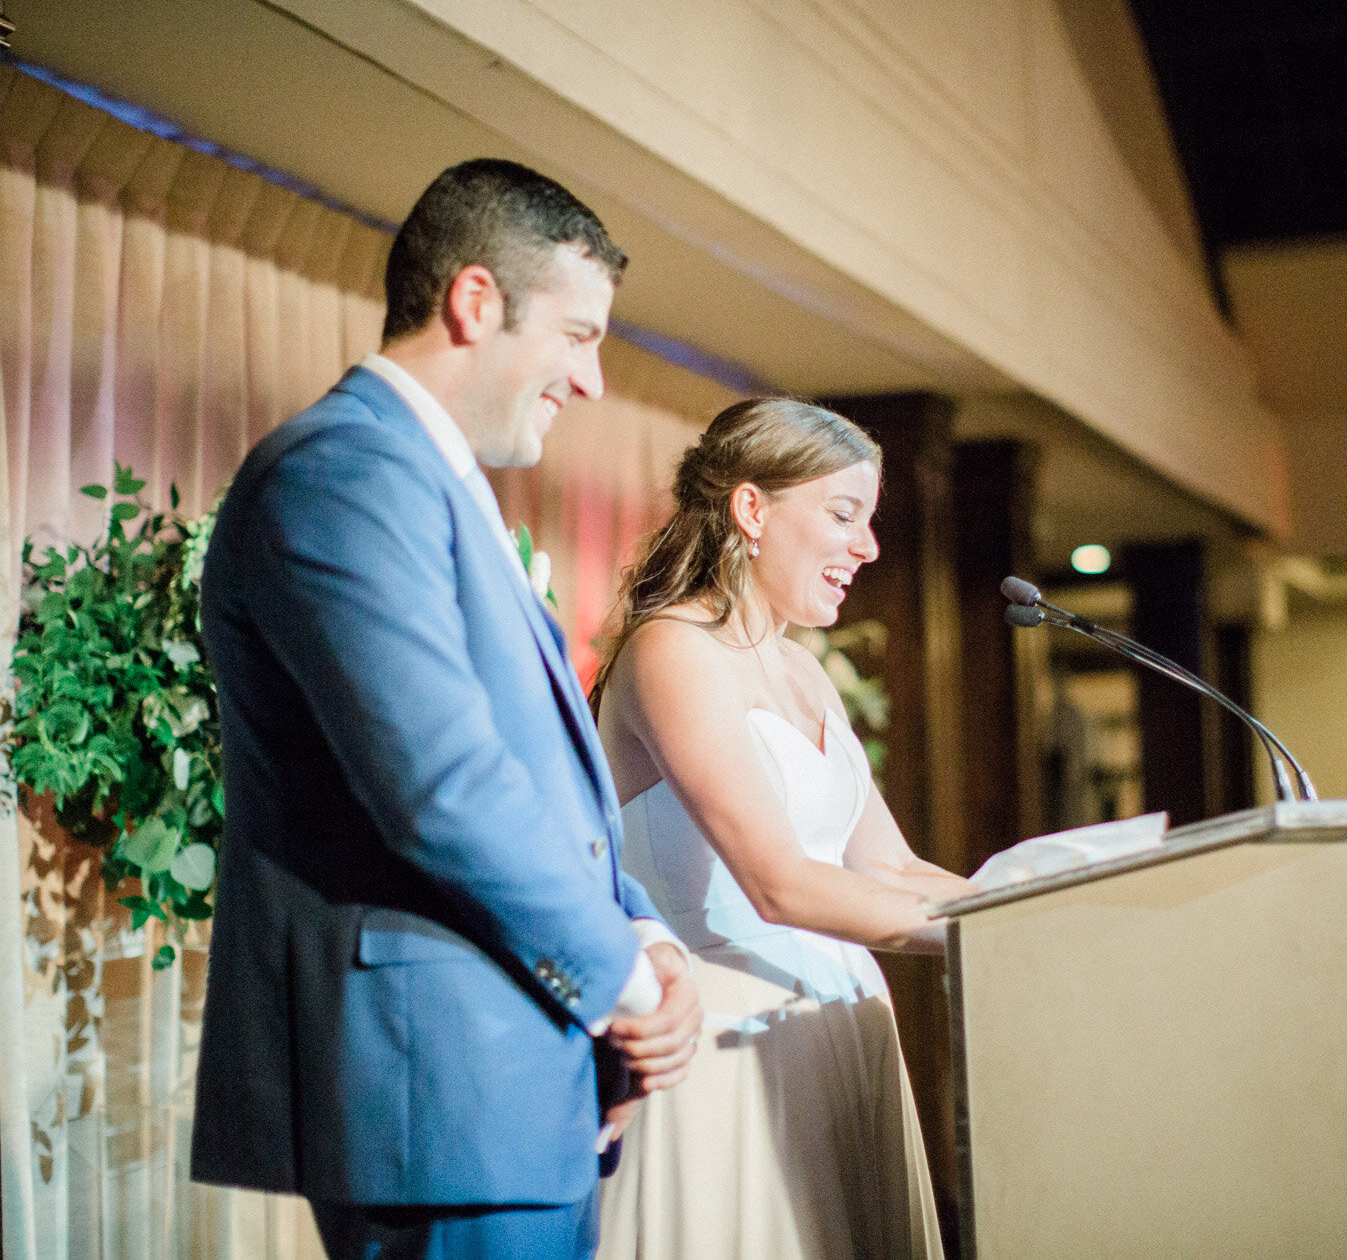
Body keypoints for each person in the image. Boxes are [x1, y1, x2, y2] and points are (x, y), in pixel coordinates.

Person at [190, 159, 702, 1260]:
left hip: (511, 1078)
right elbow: (440, 785)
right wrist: (613, 979)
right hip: (439, 1082)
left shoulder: (427, 479)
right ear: (475, 301)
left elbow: (538, 783)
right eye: (577, 335)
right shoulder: (340, 473)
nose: (593, 379)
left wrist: (646, 938)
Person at [592, 398, 969, 1259]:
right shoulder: (672, 649)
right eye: (843, 515)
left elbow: (890, 861)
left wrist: (1047, 899)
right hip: (731, 1045)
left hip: (837, 1032)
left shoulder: (802, 667)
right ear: (752, 509)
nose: (868, 547)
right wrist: (991, 937)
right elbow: (779, 881)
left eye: (869, 521)